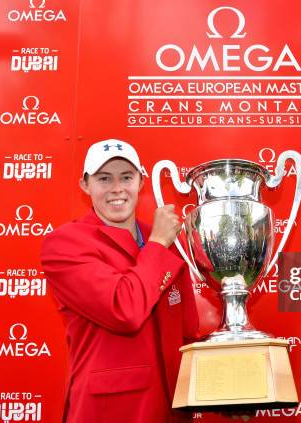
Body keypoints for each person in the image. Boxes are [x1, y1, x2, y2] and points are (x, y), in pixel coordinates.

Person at [41, 139, 199, 423]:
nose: (117, 188)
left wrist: (220, 394)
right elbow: (124, 310)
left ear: (140, 182)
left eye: (126, 177)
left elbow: (187, 331)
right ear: (85, 185)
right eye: (104, 178)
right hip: (111, 412)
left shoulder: (162, 238)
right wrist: (159, 243)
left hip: (173, 409)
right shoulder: (64, 243)